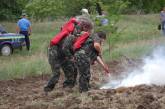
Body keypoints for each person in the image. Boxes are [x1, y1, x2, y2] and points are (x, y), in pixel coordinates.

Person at [44, 16, 93, 94]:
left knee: (71, 70)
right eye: (88, 29)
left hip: (63, 52)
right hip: (54, 51)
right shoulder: (74, 32)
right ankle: (47, 90)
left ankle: (68, 88)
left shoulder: (77, 31)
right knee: (56, 73)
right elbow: (65, 47)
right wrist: (71, 57)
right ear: (84, 27)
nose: (88, 31)